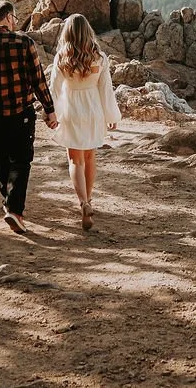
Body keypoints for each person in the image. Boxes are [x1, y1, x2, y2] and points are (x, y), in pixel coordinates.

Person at [0, 0, 58, 235]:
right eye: (15, 18)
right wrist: (50, 109)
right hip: (21, 114)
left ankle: (9, 202)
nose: (16, 22)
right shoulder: (24, 42)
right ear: (7, 18)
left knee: (0, 160)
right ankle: (15, 211)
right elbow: (38, 80)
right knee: (21, 161)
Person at [49, 13, 122, 230]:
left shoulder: (62, 57)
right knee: (90, 158)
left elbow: (53, 88)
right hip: (93, 109)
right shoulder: (99, 57)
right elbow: (105, 89)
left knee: (75, 161)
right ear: (88, 31)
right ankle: (88, 202)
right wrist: (111, 115)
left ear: (67, 32)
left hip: (72, 109)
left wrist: (51, 113)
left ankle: (82, 203)